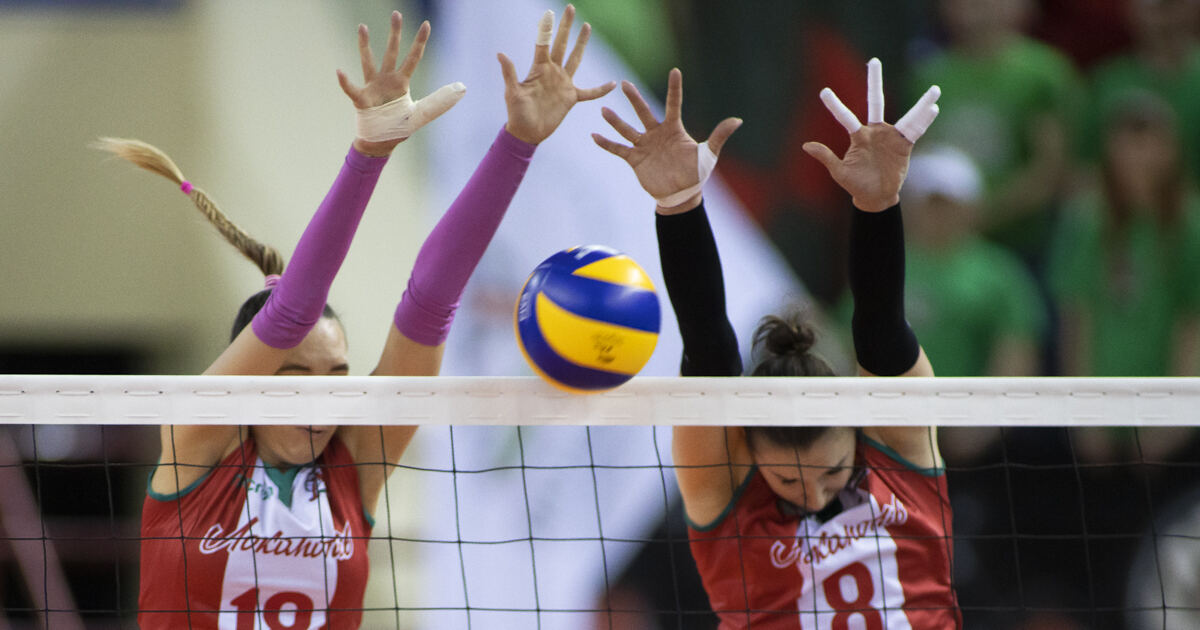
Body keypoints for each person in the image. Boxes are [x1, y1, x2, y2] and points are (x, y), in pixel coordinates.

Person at [99, 7, 612, 629]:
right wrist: (369, 152)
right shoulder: (196, 441)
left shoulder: (356, 461)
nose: (323, 401)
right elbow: (292, 312)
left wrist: (518, 142)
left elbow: (431, 302)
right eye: (298, 377)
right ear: (249, 384)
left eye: (337, 376)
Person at [594, 59, 960, 627]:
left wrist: (878, 204)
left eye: (833, 472)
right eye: (786, 478)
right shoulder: (726, 490)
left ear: (856, 430)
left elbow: (882, 328)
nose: (813, 495)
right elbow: (709, 355)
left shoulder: (898, 452)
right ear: (749, 449)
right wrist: (679, 204)